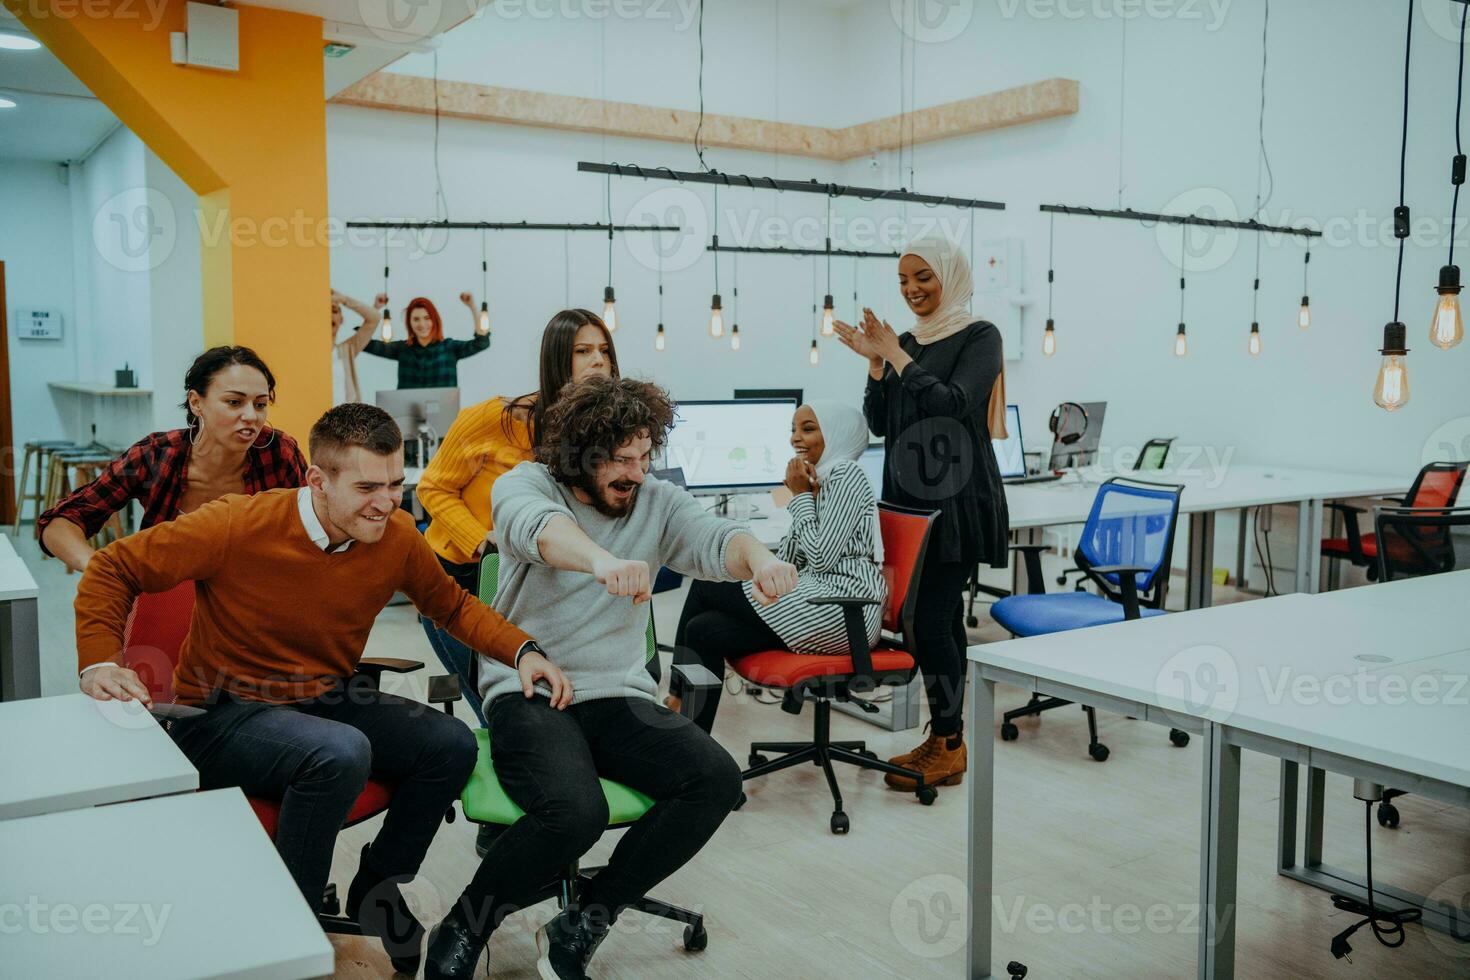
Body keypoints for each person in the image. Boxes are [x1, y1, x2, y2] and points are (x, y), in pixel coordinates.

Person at [73, 402, 567, 974]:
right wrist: (100, 664)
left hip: (322, 698)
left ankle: (377, 890)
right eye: (366, 487)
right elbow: (112, 569)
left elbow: (452, 606)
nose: (386, 501)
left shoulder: (397, 536)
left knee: (450, 743)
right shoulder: (237, 523)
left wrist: (523, 650)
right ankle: (292, 926)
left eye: (395, 484)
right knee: (339, 751)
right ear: (317, 480)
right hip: (217, 714)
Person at [423, 376, 798, 980]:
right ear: (580, 454)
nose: (635, 472)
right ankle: (467, 923)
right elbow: (536, 530)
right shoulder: (528, 484)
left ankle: (586, 921)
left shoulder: (653, 499)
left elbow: (715, 538)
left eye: (645, 455)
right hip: (534, 688)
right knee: (576, 812)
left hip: (617, 694)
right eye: (619, 459)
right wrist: (601, 561)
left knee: (715, 780)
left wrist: (760, 559)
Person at [832, 234, 1010, 793]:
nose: (912, 290)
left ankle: (950, 742)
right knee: (936, 620)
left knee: (929, 620)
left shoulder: (980, 335)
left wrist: (900, 356)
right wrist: (877, 366)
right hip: (909, 500)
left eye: (923, 278)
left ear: (949, 276)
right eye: (904, 280)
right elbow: (882, 422)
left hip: (956, 498)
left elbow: (954, 404)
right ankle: (947, 737)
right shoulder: (905, 343)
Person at [416, 309, 617, 727]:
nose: (598, 360)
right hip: (462, 579)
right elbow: (432, 487)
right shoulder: (498, 418)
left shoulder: (599, 437)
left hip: (531, 581)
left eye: (604, 350)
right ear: (556, 361)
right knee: (497, 706)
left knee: (544, 700)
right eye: (583, 351)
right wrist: (481, 538)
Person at [671, 400, 885, 733]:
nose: (795, 439)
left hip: (842, 607)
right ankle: (693, 742)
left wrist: (800, 497)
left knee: (708, 582)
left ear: (836, 433)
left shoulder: (846, 474)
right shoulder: (822, 479)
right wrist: (803, 498)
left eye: (808, 428)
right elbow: (791, 558)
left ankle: (675, 695)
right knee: (703, 631)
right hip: (813, 600)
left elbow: (821, 559)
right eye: (793, 430)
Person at [38, 346, 308, 573]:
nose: (251, 416)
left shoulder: (278, 452)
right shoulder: (157, 454)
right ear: (196, 402)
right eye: (234, 402)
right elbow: (61, 521)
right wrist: (101, 569)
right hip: (167, 600)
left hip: (249, 604)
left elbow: (313, 528)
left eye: (260, 404)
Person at [356, 293, 491, 389]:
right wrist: (375, 308)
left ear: (435, 320)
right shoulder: (403, 349)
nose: (422, 324)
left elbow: (482, 342)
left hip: (445, 422)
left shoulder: (450, 348)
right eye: (416, 319)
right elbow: (362, 342)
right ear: (409, 323)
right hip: (406, 421)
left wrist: (472, 307)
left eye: (427, 318)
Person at [330, 288, 385, 403]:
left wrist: (344, 300)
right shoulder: (308, 352)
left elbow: (374, 318)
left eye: (334, 310)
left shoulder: (347, 350)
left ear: (341, 319)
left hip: (345, 419)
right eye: (324, 311)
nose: (329, 315)